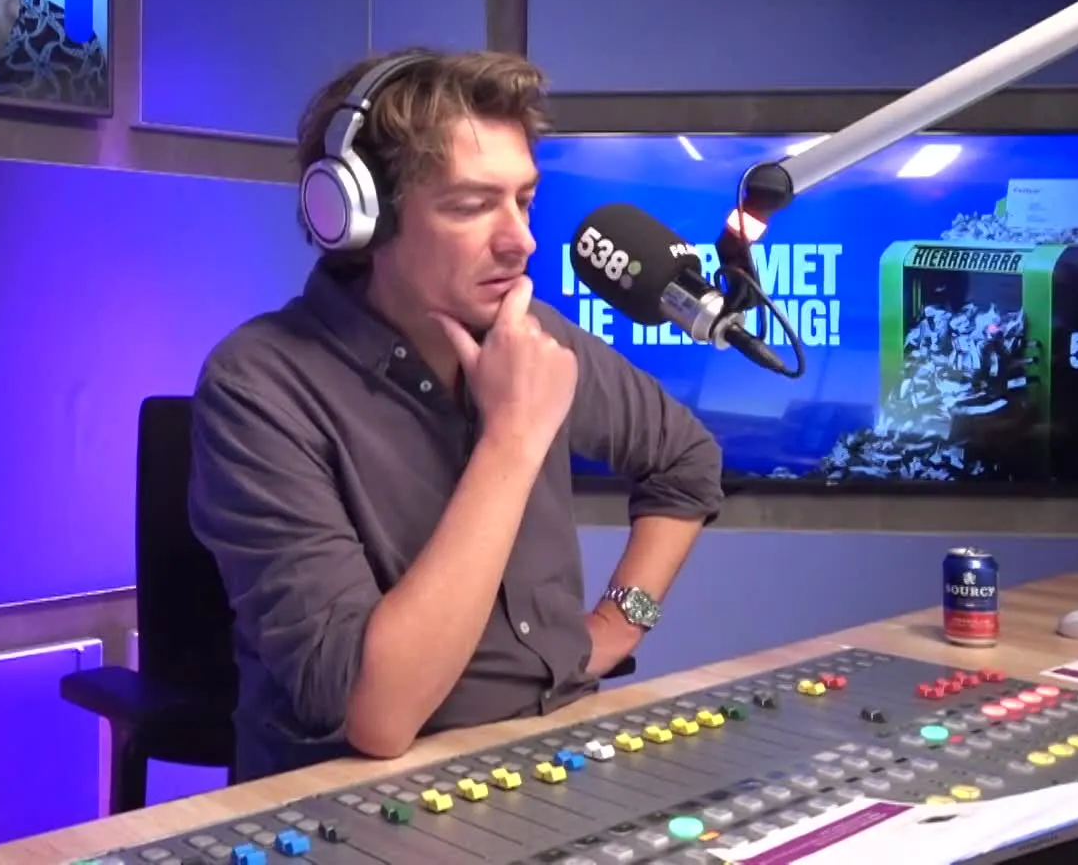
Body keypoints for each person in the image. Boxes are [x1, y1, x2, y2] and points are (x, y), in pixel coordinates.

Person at [187, 48, 725, 782]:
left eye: (524, 200)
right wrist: (513, 437)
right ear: (359, 217)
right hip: (364, 793)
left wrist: (620, 622)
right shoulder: (259, 385)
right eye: (471, 205)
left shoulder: (535, 337)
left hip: (556, 754)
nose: (521, 239)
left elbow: (686, 461)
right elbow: (378, 715)